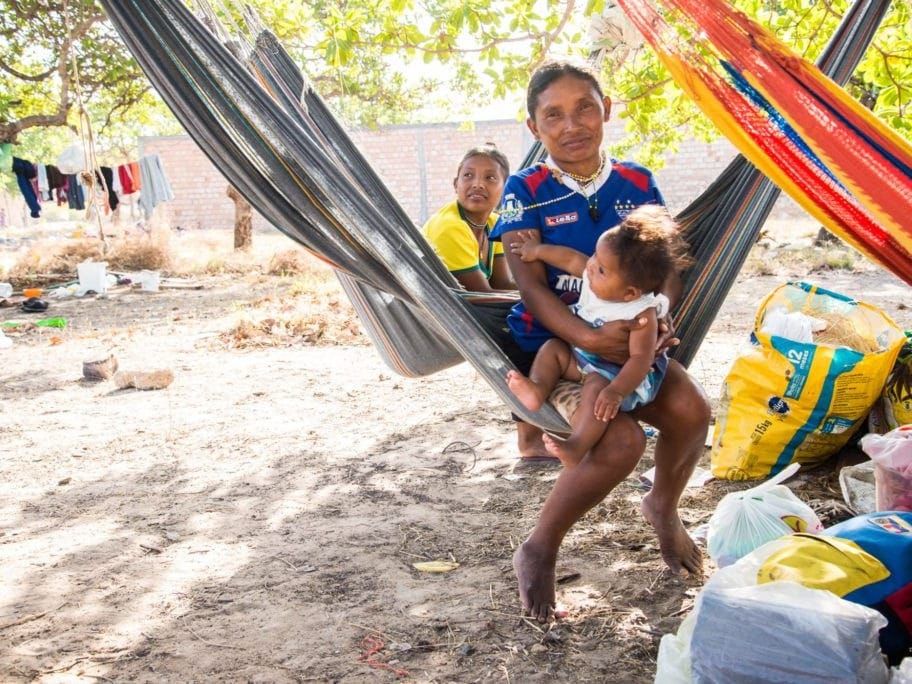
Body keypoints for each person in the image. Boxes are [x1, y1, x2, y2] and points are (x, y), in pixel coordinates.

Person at [489, 60, 711, 621]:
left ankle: (662, 506)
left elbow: (665, 265)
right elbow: (530, 285)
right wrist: (589, 335)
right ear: (534, 126)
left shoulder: (637, 182)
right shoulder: (524, 190)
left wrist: (659, 321)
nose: (572, 124)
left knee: (692, 410)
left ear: (606, 109)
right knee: (619, 443)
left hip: (632, 345)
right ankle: (539, 548)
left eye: (585, 107)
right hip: (560, 351)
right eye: (553, 115)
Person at [506, 205, 693, 466]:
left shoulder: (640, 314)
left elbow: (641, 360)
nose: (591, 266)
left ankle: (576, 446)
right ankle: (537, 389)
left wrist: (616, 392)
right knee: (552, 349)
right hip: (582, 357)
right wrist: (536, 251)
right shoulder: (595, 275)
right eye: (595, 256)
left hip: (617, 376)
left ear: (629, 293)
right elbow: (570, 259)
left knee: (595, 386)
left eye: (602, 269)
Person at [422, 144, 515, 292]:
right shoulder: (449, 227)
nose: (478, 184)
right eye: (468, 176)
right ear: (455, 185)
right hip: (443, 313)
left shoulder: (495, 223)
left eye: (490, 178)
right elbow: (483, 296)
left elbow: (501, 284)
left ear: (506, 188)